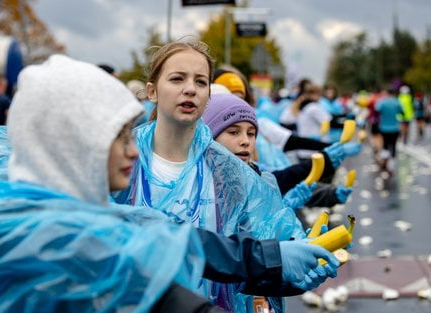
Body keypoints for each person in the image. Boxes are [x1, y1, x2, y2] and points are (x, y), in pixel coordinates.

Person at [0, 55, 220, 313]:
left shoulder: (18, 218)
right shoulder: (64, 244)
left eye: (201, 81)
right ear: (75, 139)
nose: (134, 151)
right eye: (119, 136)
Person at [115, 39, 339, 313]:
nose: (190, 89)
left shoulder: (228, 171)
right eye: (177, 79)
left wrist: (296, 273)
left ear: (208, 95)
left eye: (200, 82)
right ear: (152, 91)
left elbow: (258, 255)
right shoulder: (121, 159)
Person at [202, 93, 357, 209]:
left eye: (251, 134)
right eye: (234, 132)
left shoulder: (251, 172)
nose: (245, 141)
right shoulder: (200, 184)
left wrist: (328, 194)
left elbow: (277, 181)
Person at [375, 88, 403, 173]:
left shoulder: (383, 102)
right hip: (395, 128)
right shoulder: (396, 102)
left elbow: (377, 109)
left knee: (385, 145)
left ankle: (384, 161)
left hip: (384, 128)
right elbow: (402, 111)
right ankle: (391, 166)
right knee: (393, 146)